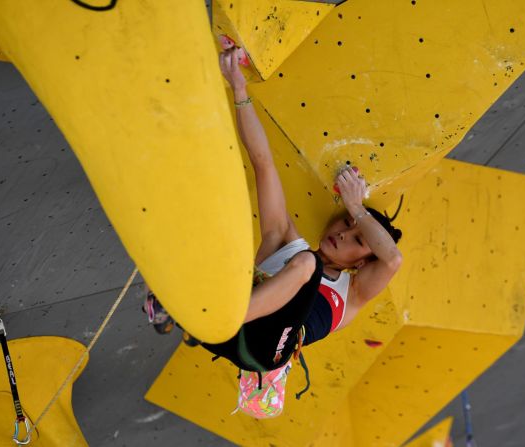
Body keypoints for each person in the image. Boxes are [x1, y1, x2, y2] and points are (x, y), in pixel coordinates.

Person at [146, 47, 403, 381]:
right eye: (345, 222)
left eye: (356, 239)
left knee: (308, 266)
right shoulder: (283, 240)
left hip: (264, 350)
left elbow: (393, 260)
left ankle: (201, 313)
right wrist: (239, 89)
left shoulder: (353, 294)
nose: (341, 232)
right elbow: (263, 164)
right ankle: (193, 312)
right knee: (231, 235)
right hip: (223, 335)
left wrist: (356, 206)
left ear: (361, 264)